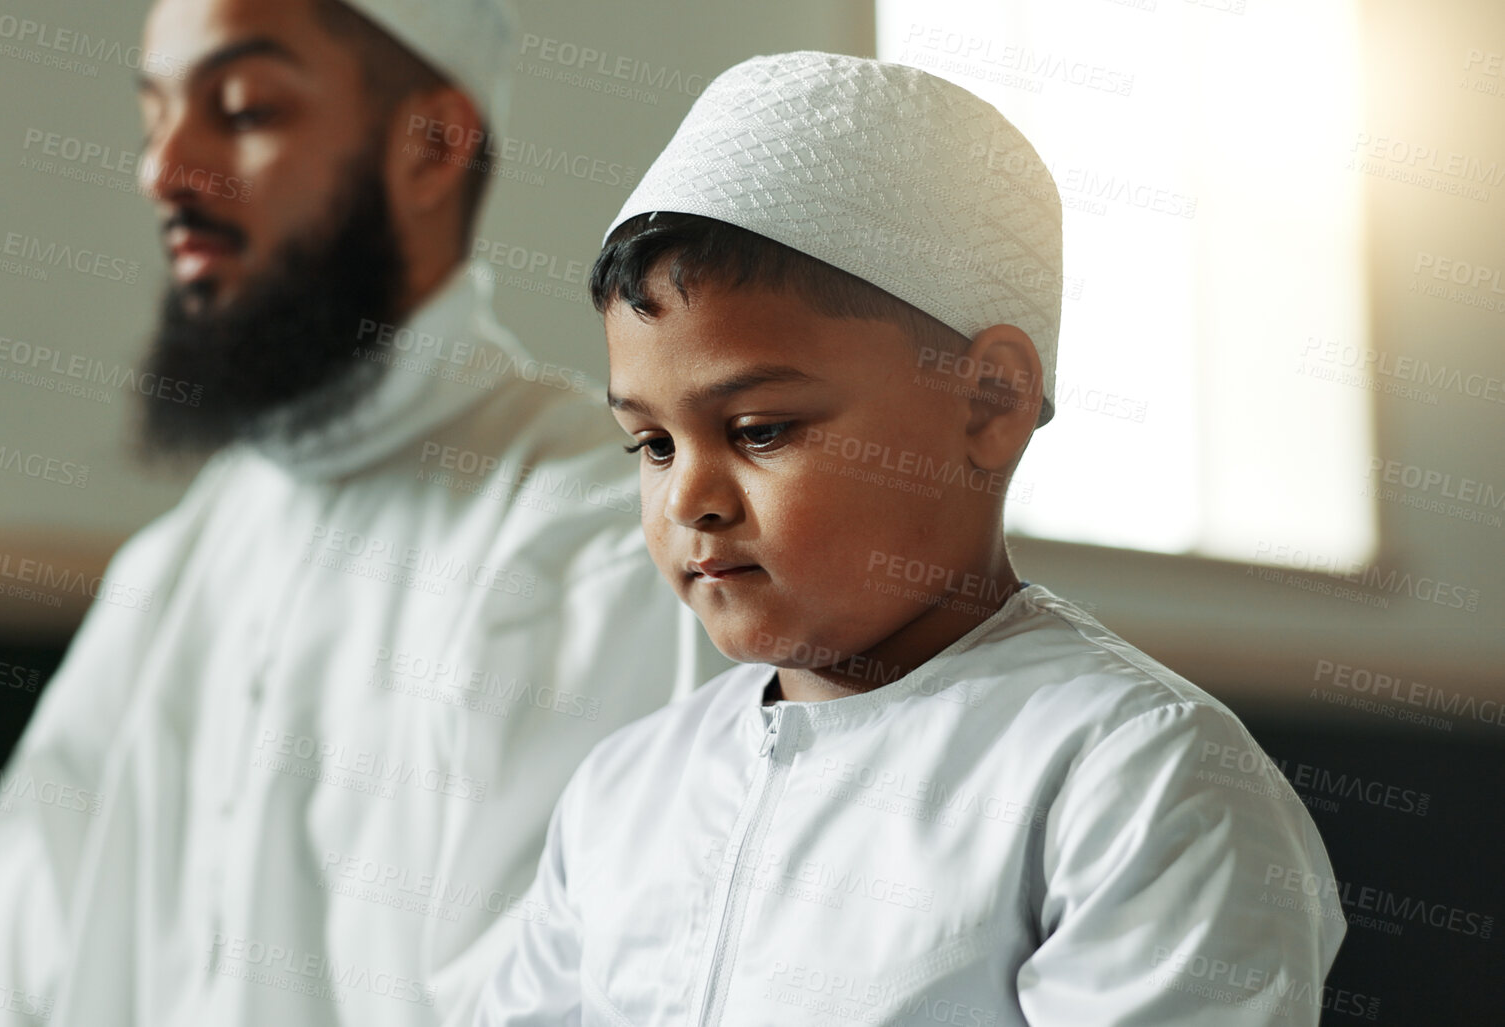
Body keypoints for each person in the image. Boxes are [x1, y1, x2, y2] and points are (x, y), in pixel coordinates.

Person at [0, 1, 727, 1024]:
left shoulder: (589, 536)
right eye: (154, 119)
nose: (165, 172)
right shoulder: (175, 565)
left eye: (240, 108)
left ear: (430, 146)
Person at [472, 52, 1347, 1026]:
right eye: (652, 443)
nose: (690, 498)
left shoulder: (1133, 778)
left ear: (989, 400)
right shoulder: (626, 791)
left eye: (759, 429)